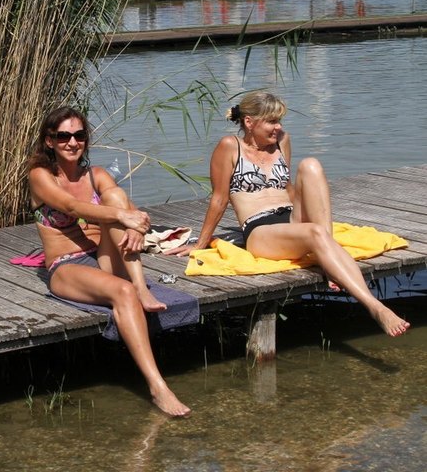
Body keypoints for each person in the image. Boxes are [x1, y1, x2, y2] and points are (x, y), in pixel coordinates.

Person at [167, 92, 410, 338]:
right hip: (260, 229)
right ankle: (376, 307)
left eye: (279, 120)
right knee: (313, 232)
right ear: (249, 122)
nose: (278, 127)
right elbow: (219, 199)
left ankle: (326, 254)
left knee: (311, 165)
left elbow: (289, 188)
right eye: (271, 121)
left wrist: (304, 211)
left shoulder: (282, 140)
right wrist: (200, 243)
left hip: (292, 217)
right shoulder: (229, 146)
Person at [28, 106, 191, 417]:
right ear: (49, 141)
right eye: (63, 136)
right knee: (122, 290)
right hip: (67, 265)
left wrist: (135, 227)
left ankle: (141, 285)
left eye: (79, 135)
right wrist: (125, 217)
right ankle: (158, 387)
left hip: (102, 257)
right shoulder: (41, 176)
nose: (72, 142)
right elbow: (71, 206)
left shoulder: (97, 175)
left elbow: (133, 213)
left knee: (115, 197)